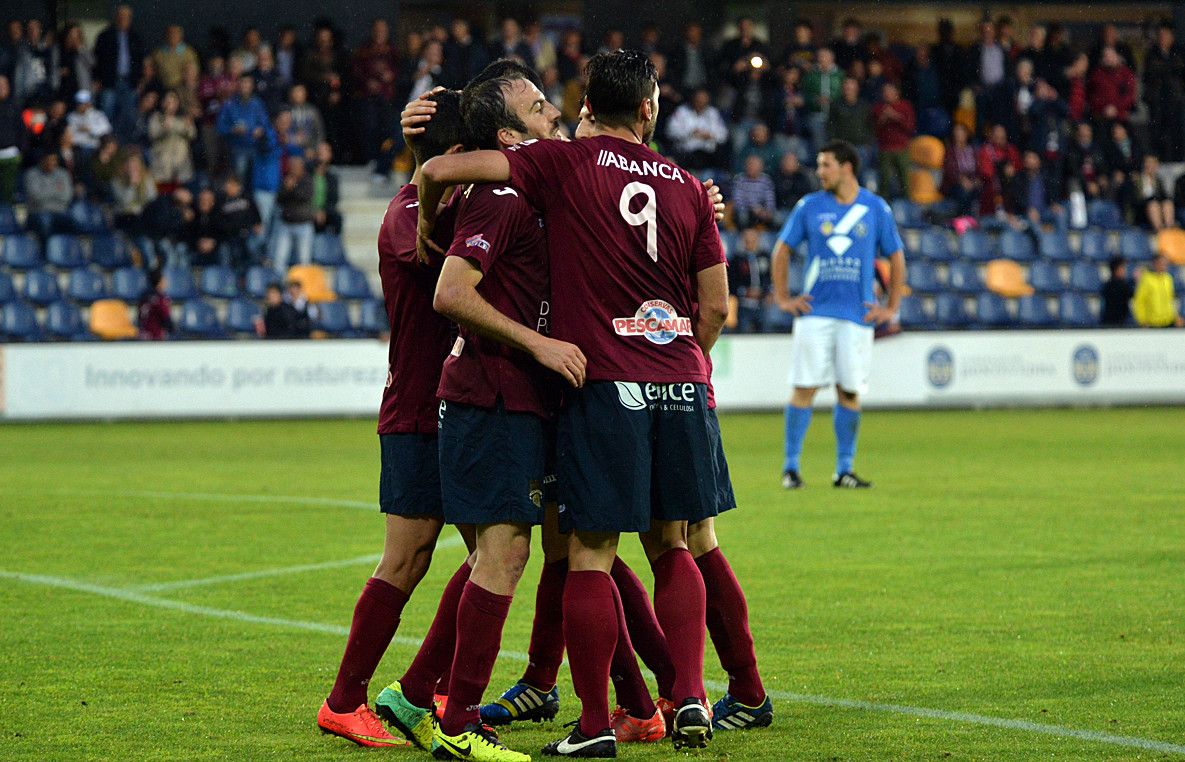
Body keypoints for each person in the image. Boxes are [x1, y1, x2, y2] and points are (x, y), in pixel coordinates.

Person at [416, 49, 728, 756]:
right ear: (648, 109)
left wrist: (424, 213)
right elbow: (716, 305)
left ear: (589, 107)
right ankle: (690, 697)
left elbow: (438, 170)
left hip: (603, 381)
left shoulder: (565, 165)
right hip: (679, 380)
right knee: (675, 544)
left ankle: (591, 727)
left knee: (589, 554)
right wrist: (690, 364)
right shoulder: (684, 183)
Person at [383, 73, 576, 762]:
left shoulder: (544, 190)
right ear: (507, 138)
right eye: (536, 107)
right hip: (489, 393)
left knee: (505, 557)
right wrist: (538, 343)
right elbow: (449, 292)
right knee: (507, 554)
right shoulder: (501, 197)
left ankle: (417, 694)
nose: (554, 111)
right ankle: (459, 721)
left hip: (518, 395)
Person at [314, 89, 472, 750]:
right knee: (407, 559)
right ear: (456, 156)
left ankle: (427, 685)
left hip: (446, 404)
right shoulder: (413, 216)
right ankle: (345, 701)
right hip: (417, 409)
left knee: (501, 546)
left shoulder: (434, 204)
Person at [771, 140, 906, 490]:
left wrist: (891, 307)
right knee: (804, 388)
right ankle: (790, 469)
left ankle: (844, 470)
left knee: (849, 392)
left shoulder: (875, 208)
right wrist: (784, 298)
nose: (820, 172)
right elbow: (781, 251)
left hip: (857, 315)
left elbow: (896, 256)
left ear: (847, 167)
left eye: (825, 165)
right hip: (815, 313)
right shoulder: (809, 207)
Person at [93, 5, 145, 137]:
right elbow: (97, 60)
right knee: (106, 113)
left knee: (129, 114)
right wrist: (98, 80)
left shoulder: (136, 37)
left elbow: (140, 61)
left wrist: (139, 81)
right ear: (116, 18)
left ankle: (123, 145)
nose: (123, 19)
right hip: (109, 81)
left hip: (129, 81)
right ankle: (105, 144)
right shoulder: (105, 36)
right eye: (121, 16)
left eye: (126, 17)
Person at [217, 73, 269, 182]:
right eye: (243, 82)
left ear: (252, 86)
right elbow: (220, 127)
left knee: (255, 180)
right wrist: (233, 129)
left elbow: (265, 124)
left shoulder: (257, 103)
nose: (245, 85)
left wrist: (260, 130)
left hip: (256, 148)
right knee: (239, 179)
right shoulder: (228, 104)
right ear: (238, 85)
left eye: (248, 83)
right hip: (237, 149)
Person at [871, 82, 915, 200]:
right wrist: (884, 118)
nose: (887, 94)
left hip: (902, 149)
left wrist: (895, 116)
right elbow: (873, 130)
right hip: (885, 149)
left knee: (905, 180)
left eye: (890, 91)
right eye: (885, 92)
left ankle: (907, 205)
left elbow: (910, 127)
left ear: (897, 93)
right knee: (884, 180)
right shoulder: (878, 108)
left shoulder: (905, 106)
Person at [665, 88, 728, 172]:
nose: (700, 104)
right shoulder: (682, 111)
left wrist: (710, 135)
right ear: (693, 99)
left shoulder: (713, 113)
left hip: (706, 155)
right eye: (698, 101)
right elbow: (670, 131)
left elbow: (723, 135)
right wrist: (690, 133)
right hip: (685, 153)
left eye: (703, 102)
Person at [272, 157, 315, 272]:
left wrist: (292, 188)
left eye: (296, 166)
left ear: (301, 167)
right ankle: (279, 284)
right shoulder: (286, 180)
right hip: (286, 224)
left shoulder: (307, 180)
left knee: (304, 260)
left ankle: (303, 286)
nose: (293, 169)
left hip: (303, 225)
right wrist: (286, 188)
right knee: (280, 258)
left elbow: (305, 196)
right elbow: (278, 200)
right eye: (292, 166)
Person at [23, 151, 75, 240]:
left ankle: (68, 251)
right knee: (45, 221)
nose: (52, 163)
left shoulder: (63, 174)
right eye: (49, 160)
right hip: (38, 212)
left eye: (54, 160)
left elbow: (67, 196)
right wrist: (56, 191)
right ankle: (46, 251)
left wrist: (46, 192)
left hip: (60, 212)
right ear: (42, 161)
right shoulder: (31, 174)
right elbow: (36, 197)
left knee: (75, 221)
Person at [729, 227, 772, 332]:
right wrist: (744, 291)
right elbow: (732, 282)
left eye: (753, 238)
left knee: (765, 335)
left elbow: (770, 277)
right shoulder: (737, 259)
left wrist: (767, 292)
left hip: (761, 304)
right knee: (743, 335)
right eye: (747, 238)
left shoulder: (765, 257)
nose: (750, 241)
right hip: (743, 304)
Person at [148, 90, 196, 184]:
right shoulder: (156, 117)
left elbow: (192, 134)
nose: (170, 105)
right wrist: (164, 129)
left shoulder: (184, 118)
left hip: (181, 163)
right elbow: (152, 134)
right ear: (163, 103)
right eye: (168, 102)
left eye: (173, 102)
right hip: (163, 164)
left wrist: (185, 127)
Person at [1131, 254, 1184, 328]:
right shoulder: (1146, 280)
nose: (1164, 266)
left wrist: (1176, 316)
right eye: (1162, 263)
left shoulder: (1168, 278)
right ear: (1155, 264)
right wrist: (1142, 320)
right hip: (1153, 323)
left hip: (1168, 321)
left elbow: (1170, 300)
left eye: (1165, 264)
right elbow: (1139, 301)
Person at [731, 155, 776, 228]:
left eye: (755, 165)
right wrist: (753, 208)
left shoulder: (766, 181)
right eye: (750, 164)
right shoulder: (739, 180)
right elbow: (737, 201)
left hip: (762, 212)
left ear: (761, 167)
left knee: (776, 218)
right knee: (742, 216)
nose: (751, 167)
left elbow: (770, 200)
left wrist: (765, 211)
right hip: (746, 211)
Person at [152, 25, 198, 91]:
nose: (172, 35)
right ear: (166, 35)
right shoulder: (158, 53)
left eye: (176, 33)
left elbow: (193, 73)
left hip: (182, 88)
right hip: (163, 88)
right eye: (170, 33)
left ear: (181, 35)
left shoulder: (189, 52)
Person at [137, 268, 173, 340]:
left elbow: (139, 317)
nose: (166, 282)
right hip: (156, 337)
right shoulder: (161, 299)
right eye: (164, 279)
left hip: (142, 335)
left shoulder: (144, 296)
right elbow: (166, 320)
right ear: (160, 282)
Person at [1100, 257, 1133, 326]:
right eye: (1122, 268)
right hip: (1114, 323)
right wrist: (1134, 281)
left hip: (1116, 322)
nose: (1124, 271)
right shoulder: (1115, 285)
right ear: (1116, 270)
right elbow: (1130, 293)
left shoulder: (1108, 285)